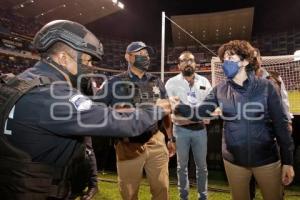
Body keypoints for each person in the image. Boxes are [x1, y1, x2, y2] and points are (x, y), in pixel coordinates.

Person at [0, 20, 170, 200]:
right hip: (38, 190)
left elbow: (84, 136)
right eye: (86, 60)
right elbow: (118, 122)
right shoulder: (52, 95)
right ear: (63, 58)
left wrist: (92, 176)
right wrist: (155, 110)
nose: (90, 67)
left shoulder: (23, 81)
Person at [173, 40, 295, 200]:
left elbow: (281, 125)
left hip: (267, 160)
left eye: (231, 58)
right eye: (224, 60)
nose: (225, 63)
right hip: (233, 162)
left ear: (245, 60)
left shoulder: (267, 87)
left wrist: (288, 161)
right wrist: (177, 106)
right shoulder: (219, 89)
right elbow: (199, 113)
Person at [95, 41, 176, 200]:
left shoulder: (156, 81)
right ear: (128, 56)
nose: (144, 57)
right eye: (139, 54)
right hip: (128, 145)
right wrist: (118, 111)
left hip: (155, 139)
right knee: (129, 193)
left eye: (146, 55)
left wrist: (170, 138)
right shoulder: (113, 82)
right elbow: (97, 110)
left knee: (162, 188)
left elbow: (166, 110)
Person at [165, 51, 211, 200]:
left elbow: (210, 106)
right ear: (179, 65)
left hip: (200, 130)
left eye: (191, 60)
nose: (188, 63)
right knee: (181, 167)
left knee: (202, 167)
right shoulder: (171, 83)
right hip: (180, 130)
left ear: (195, 64)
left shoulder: (204, 81)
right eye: (184, 61)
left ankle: (202, 197)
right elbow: (171, 109)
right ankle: (183, 197)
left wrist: (201, 113)